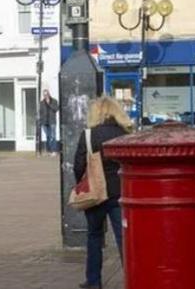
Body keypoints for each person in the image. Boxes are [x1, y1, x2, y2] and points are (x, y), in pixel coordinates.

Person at [74, 96, 131, 289]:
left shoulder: (89, 135)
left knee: (94, 236)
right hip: (121, 192)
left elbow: (78, 166)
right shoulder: (125, 134)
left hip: (96, 193)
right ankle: (132, 278)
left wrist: (81, 184)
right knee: (123, 238)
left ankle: (93, 281)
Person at [39, 89, 60, 155]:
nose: (45, 96)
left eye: (47, 94)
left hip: (52, 121)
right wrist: (40, 121)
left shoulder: (54, 101)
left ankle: (54, 151)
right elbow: (40, 112)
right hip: (44, 122)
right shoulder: (42, 103)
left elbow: (56, 109)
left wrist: (49, 104)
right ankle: (49, 150)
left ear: (49, 94)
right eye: (44, 95)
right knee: (48, 136)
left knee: (53, 136)